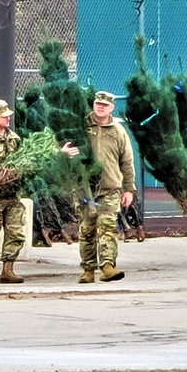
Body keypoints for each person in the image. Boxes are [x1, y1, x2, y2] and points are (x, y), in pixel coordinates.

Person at [0, 99, 78, 283]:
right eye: (4, 116)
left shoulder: (14, 138)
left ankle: (7, 270)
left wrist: (58, 152)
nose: (8, 118)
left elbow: (31, 157)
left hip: (12, 193)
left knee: (16, 233)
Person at [78, 91, 135, 283]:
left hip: (110, 187)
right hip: (85, 187)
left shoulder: (118, 131)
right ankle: (87, 270)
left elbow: (127, 161)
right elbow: (59, 143)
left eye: (104, 105)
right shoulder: (81, 126)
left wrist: (128, 189)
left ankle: (108, 266)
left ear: (111, 108)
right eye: (97, 103)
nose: (100, 107)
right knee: (87, 230)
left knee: (107, 227)